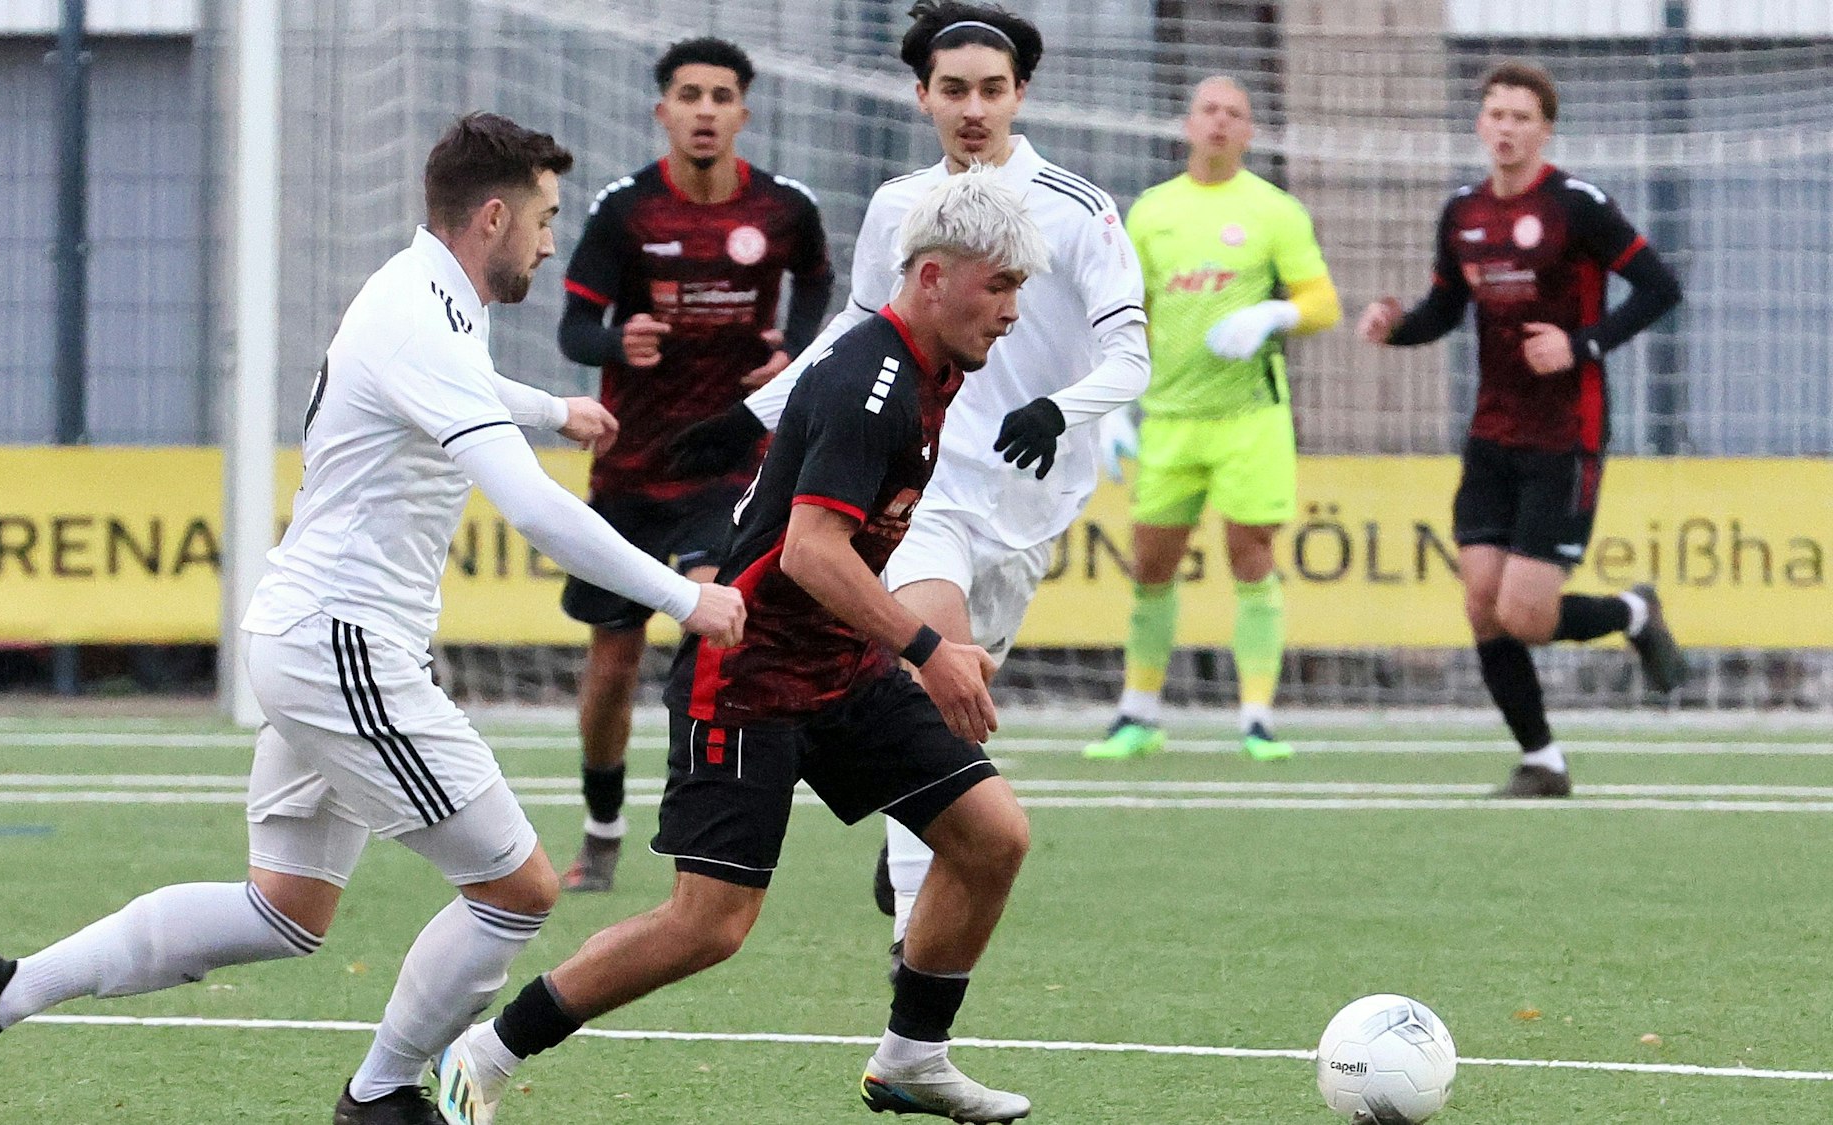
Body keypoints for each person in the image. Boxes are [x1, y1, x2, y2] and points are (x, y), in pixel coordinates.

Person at [0, 113, 746, 1125]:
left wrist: (547, 409)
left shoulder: (423, 298)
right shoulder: (422, 315)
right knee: (516, 888)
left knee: (282, 911)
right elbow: (531, 508)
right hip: (344, 646)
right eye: (543, 219)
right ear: (490, 216)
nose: (550, 241)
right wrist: (682, 595)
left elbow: (440, 384)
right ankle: (381, 1097)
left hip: (311, 640)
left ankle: (3, 988)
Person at [436, 170, 1047, 1125]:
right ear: (932, 276)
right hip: (749, 679)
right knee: (708, 925)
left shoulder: (930, 368)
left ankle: (912, 1058)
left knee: (990, 835)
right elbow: (810, 552)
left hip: (839, 671)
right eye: (1000, 286)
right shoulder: (871, 381)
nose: (1012, 312)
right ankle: (487, 1047)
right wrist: (929, 647)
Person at [667, 0, 1147, 963]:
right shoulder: (902, 207)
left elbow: (1131, 356)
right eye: (954, 90)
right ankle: (912, 940)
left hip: (1027, 505)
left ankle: (915, 847)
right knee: (924, 671)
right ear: (923, 97)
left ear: (1021, 97)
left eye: (992, 90)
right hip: (917, 499)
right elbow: (851, 338)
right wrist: (744, 421)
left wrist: (1061, 409)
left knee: (952, 707)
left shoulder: (1078, 205)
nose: (973, 108)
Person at [1358, 60, 1686, 798]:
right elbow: (1445, 310)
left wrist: (1581, 343)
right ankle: (1543, 758)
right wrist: (1395, 327)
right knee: (1481, 602)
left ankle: (1634, 611)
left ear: (1544, 128)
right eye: (1495, 114)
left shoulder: (1577, 205)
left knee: (1525, 614)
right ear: (1480, 124)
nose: (1506, 128)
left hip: (1566, 436)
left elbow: (1662, 287)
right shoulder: (1463, 214)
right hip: (1492, 434)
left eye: (1521, 117)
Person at [555, 37, 832, 893]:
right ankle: (603, 827)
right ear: (662, 112)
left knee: (715, 629)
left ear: (743, 113)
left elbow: (823, 292)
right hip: (631, 473)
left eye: (720, 96)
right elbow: (574, 329)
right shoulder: (625, 209)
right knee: (613, 663)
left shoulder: (785, 209)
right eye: (688, 95)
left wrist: (793, 353)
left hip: (733, 465)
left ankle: (703, 821)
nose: (705, 110)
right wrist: (616, 339)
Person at [1085, 75, 1341, 763]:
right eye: (1209, 110)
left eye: (1235, 113)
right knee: (1150, 563)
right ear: (1187, 123)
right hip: (1168, 418)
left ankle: (1256, 716)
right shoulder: (1151, 212)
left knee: (1251, 556)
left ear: (1250, 131)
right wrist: (1113, 407)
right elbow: (1124, 314)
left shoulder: (1274, 210)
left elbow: (1323, 302)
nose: (1221, 123)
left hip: (1249, 417)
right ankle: (1138, 713)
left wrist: (1275, 312)